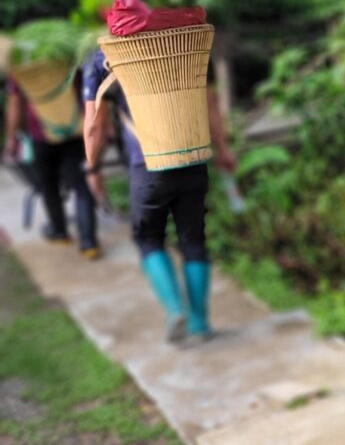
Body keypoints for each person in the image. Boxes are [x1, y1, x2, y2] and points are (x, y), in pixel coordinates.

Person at [81, 49, 236, 343]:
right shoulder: (182, 49)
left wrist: (93, 167)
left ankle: (176, 309)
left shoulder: (103, 59)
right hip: (192, 160)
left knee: (148, 237)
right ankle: (200, 324)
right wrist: (224, 149)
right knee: (193, 239)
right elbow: (209, 102)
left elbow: (96, 123)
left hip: (147, 166)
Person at [3, 75, 100, 259]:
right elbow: (86, 92)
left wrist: (11, 138)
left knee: (49, 185)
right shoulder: (64, 55)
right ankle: (89, 243)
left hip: (40, 134)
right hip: (73, 131)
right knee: (81, 186)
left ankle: (60, 232)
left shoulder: (21, 65)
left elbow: (15, 105)